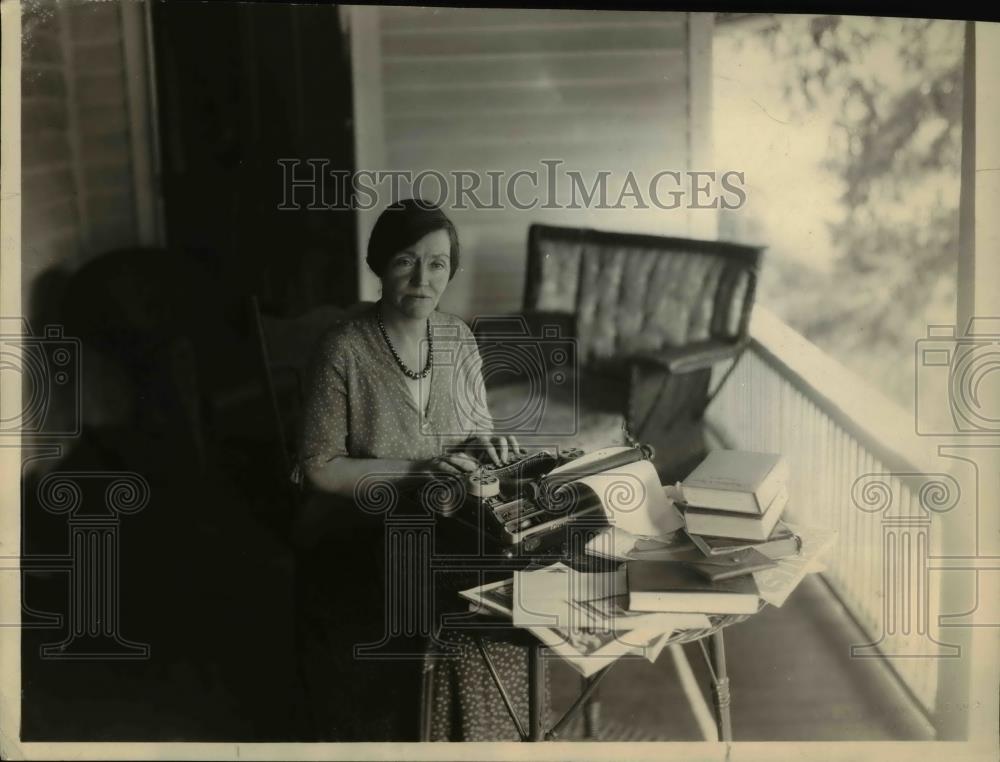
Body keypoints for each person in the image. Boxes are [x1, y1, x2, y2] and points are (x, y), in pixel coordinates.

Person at [294, 198, 533, 741]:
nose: (423, 279)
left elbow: (475, 428)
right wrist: (417, 471)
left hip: (446, 513)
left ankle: (487, 736)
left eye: (438, 263)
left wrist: (489, 442)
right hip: (359, 522)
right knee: (448, 586)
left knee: (506, 573)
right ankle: (416, 734)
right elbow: (319, 469)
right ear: (379, 263)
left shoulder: (459, 338)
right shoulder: (343, 347)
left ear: (451, 270)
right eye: (406, 260)